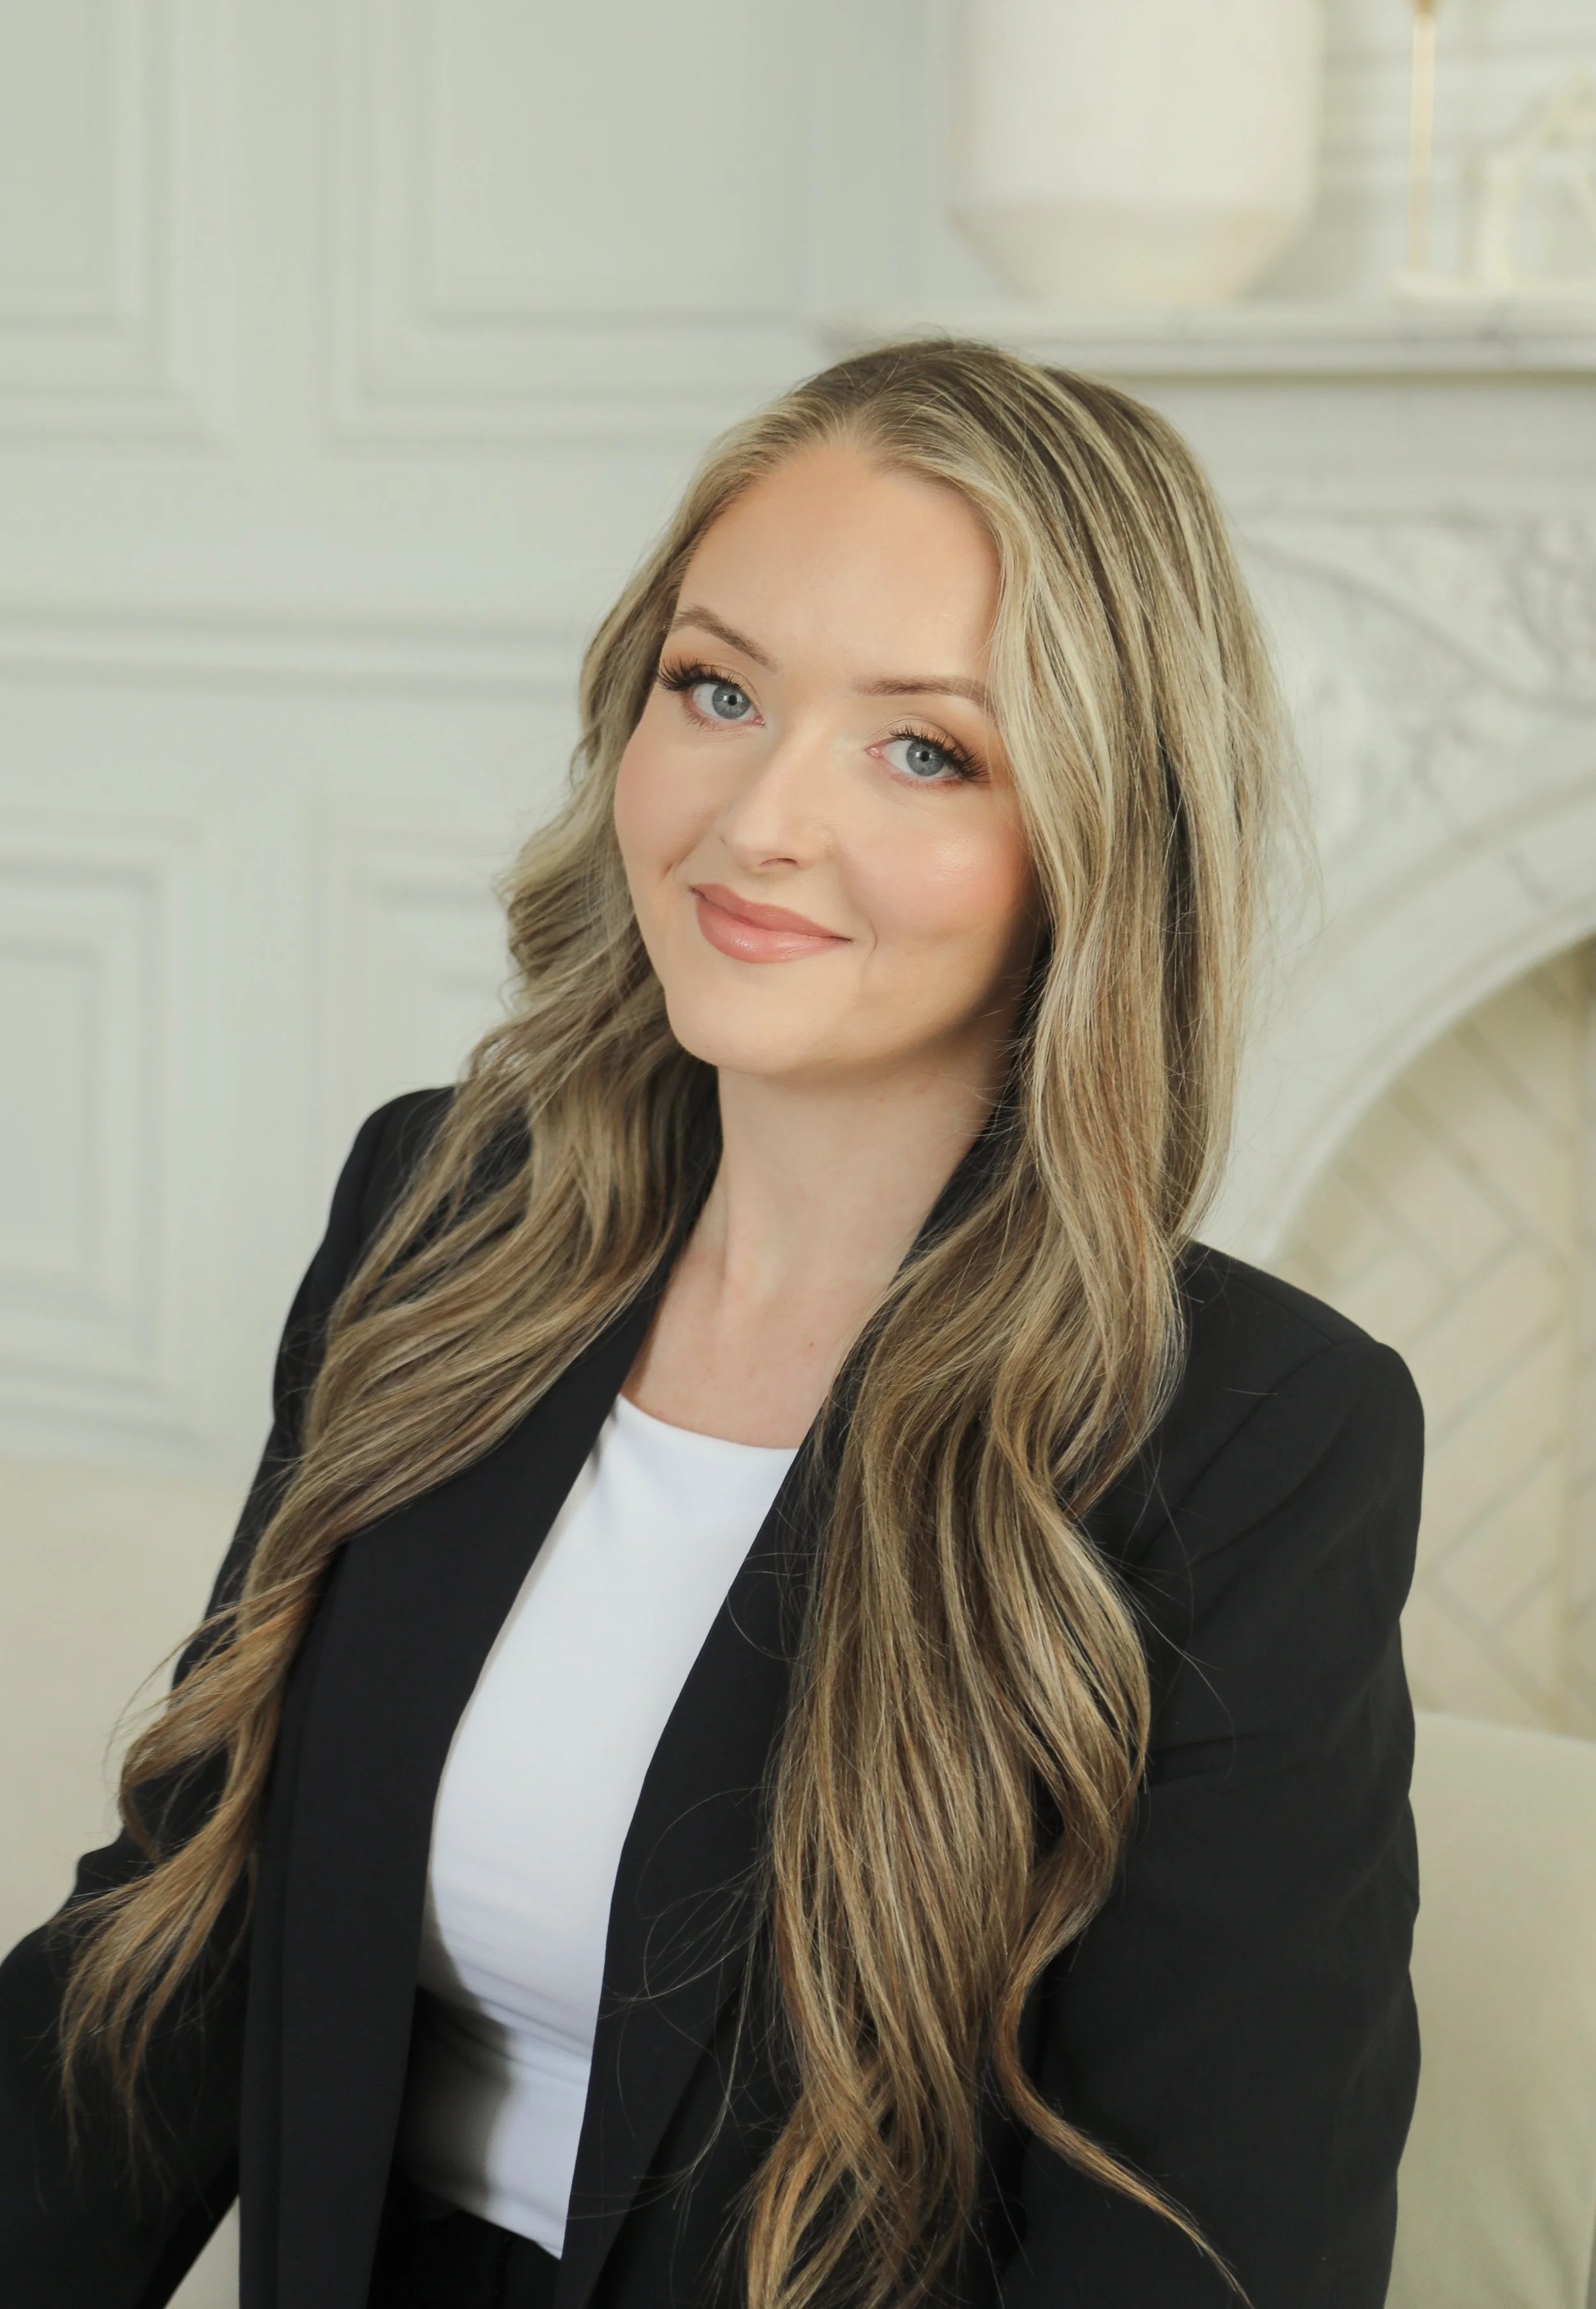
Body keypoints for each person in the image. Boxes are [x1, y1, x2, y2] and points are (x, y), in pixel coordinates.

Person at [0, 342, 1422, 2309]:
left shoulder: (1253, 1436)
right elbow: (184, 1918)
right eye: (717, 688)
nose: (755, 820)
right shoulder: (440, 1218)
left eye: (921, 748)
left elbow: (1200, 2243)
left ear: (1098, 840)